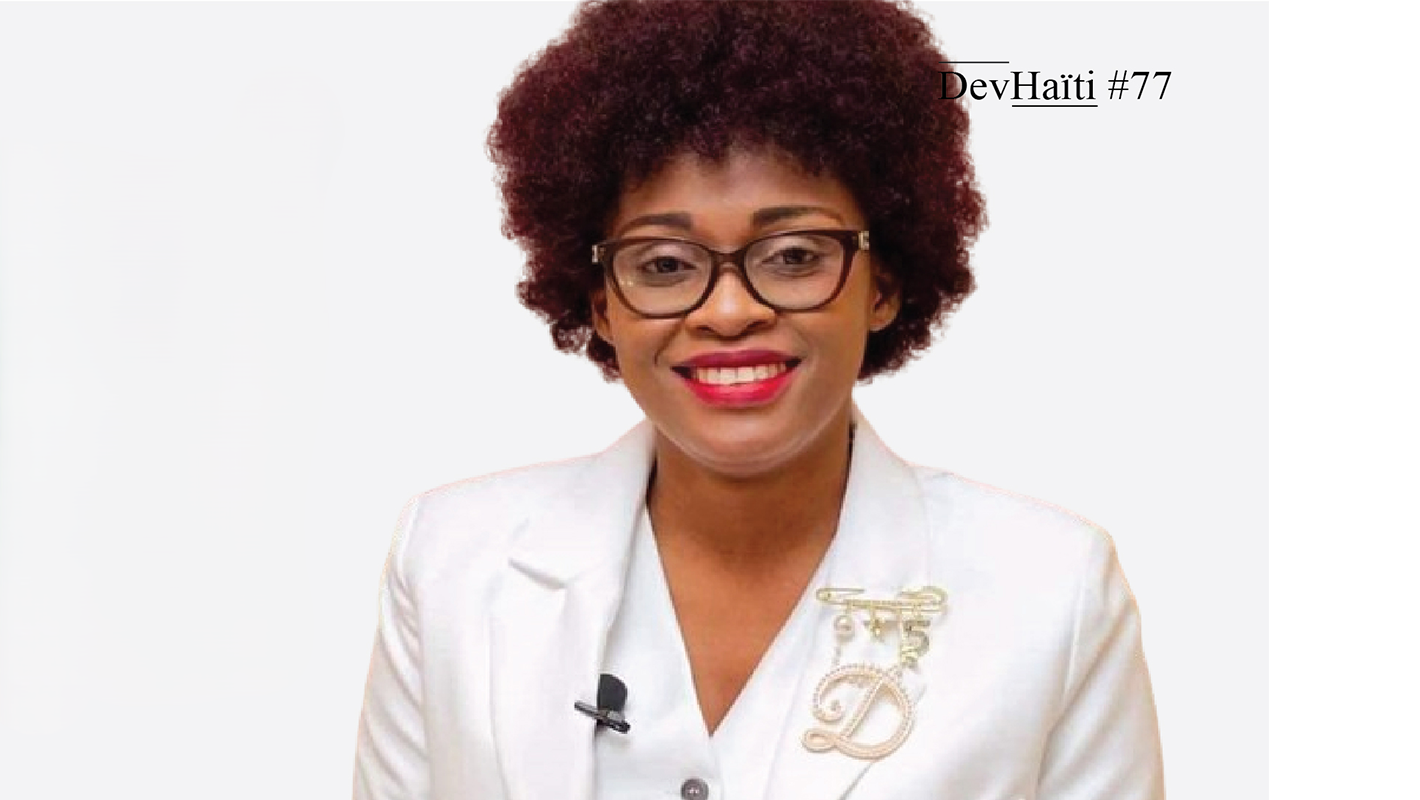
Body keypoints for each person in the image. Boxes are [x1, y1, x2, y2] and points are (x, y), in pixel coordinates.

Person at [352, 1, 1166, 799]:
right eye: (665, 264)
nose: (730, 310)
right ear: (602, 303)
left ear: (883, 285)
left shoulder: (1053, 591)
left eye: (794, 255)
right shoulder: (450, 564)